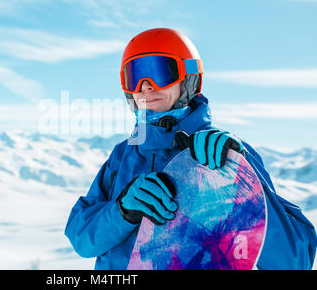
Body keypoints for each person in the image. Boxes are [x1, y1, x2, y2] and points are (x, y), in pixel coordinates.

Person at [64, 28, 317, 269]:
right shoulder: (123, 156)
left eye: (159, 72)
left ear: (189, 79)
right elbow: (81, 240)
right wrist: (121, 211)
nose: (146, 85)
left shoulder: (223, 154)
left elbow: (295, 262)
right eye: (135, 75)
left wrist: (243, 184)